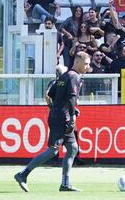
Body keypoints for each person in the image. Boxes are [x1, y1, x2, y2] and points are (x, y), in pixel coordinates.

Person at [14, 53, 90, 192]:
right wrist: (72, 114)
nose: (87, 67)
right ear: (78, 62)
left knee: (72, 148)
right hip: (63, 118)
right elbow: (72, 98)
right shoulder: (74, 77)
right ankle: (22, 174)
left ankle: (65, 183)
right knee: (52, 151)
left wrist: (61, 107)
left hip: (58, 114)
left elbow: (52, 94)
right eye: (86, 64)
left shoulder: (64, 76)